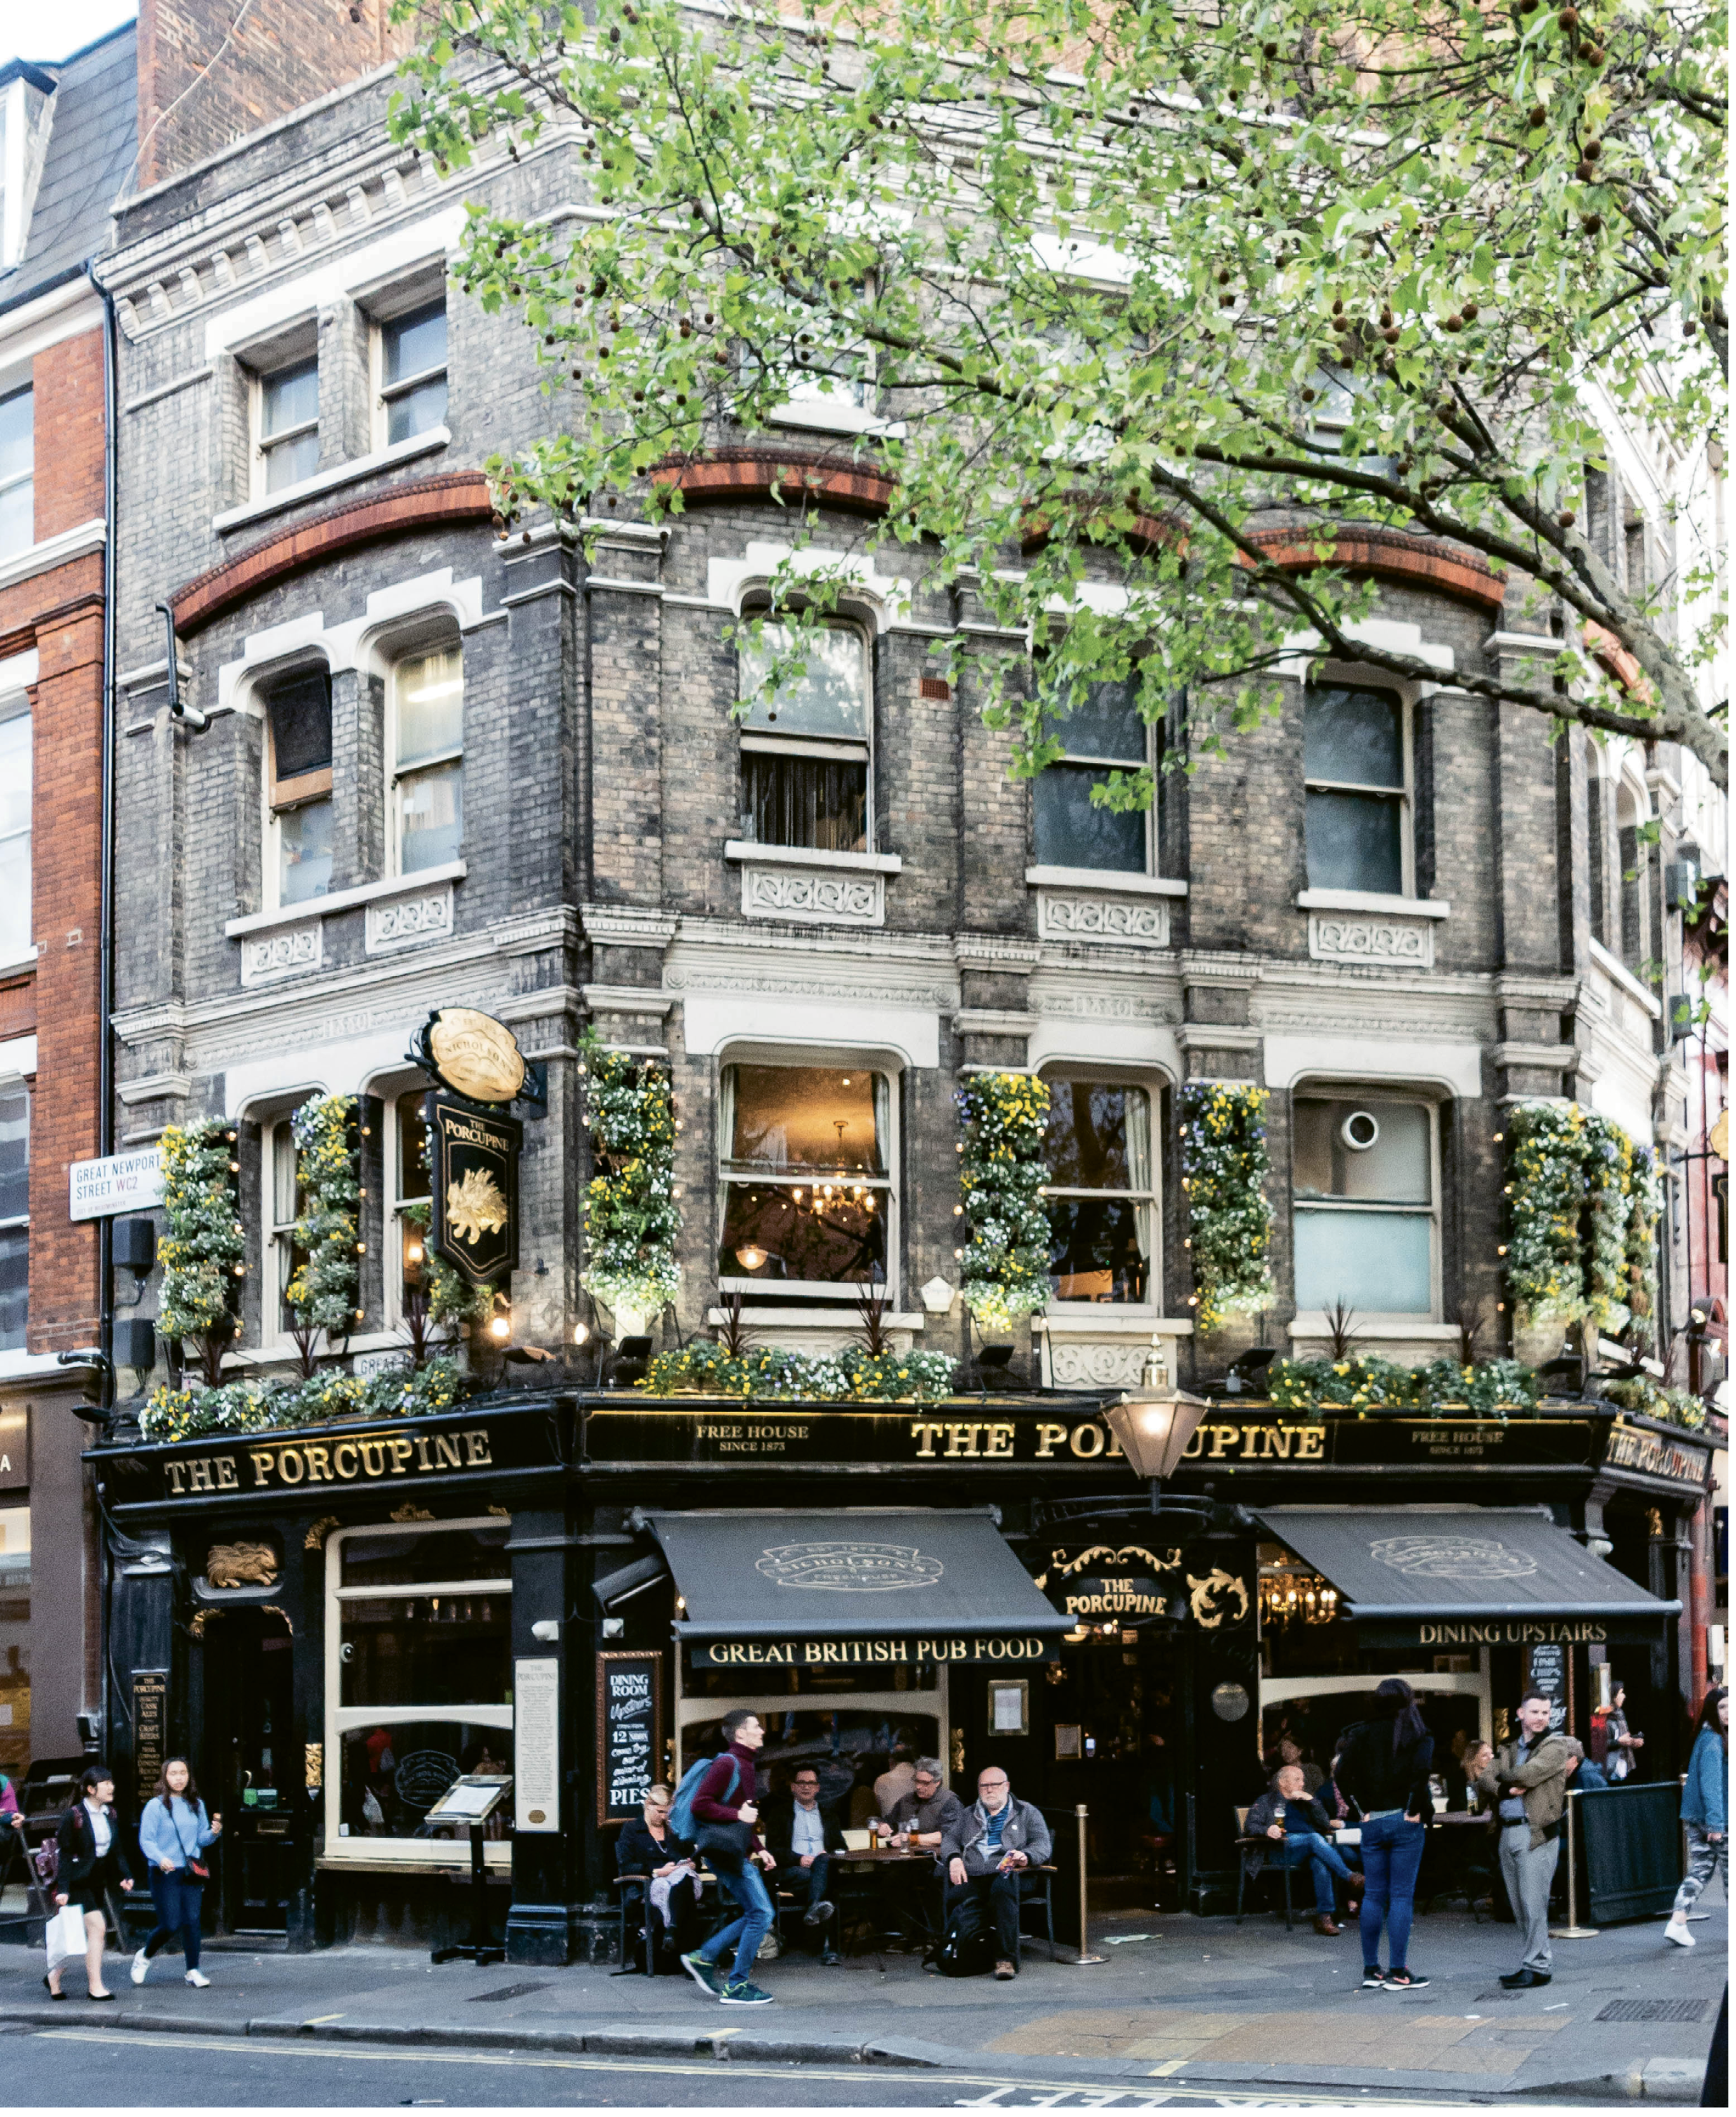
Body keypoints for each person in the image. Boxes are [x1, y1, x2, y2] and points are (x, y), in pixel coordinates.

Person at [1473, 1691, 1583, 1990]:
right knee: (1519, 1905)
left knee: (1534, 1903)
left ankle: (1539, 1966)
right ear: (1521, 1714)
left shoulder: (1556, 1746)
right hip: (1507, 1830)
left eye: (1546, 1713)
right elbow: (1483, 1778)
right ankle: (1532, 1963)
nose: (1541, 1718)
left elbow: (1528, 1775)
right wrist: (1506, 1789)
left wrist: (1503, 1778)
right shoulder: (1509, 1746)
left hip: (1535, 1832)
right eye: (1535, 1712)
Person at [1333, 1677, 1435, 1991]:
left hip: (1372, 1821)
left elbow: (1340, 1773)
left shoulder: (1360, 1733)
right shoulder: (1419, 1735)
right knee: (1401, 1895)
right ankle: (1399, 1972)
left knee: (1374, 1894)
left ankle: (1371, 1970)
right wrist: (1415, 1809)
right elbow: (1420, 1776)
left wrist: (1357, 1807)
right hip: (1404, 1820)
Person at [680, 1708, 777, 2008]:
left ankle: (705, 1957)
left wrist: (760, 1848)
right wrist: (737, 1814)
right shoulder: (727, 1763)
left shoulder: (745, 1764)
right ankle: (737, 1985)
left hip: (732, 1851)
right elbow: (700, 1805)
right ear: (740, 1734)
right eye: (756, 1726)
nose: (762, 1731)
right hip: (725, 1854)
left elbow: (741, 1820)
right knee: (762, 1914)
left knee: (755, 1913)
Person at [939, 1764, 1052, 1981]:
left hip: (1011, 1873)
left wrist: (1026, 1856)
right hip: (975, 1873)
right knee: (955, 1895)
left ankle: (1005, 1959)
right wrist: (954, 1858)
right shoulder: (968, 1814)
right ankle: (961, 1952)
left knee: (1001, 1890)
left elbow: (1043, 1845)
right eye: (984, 1786)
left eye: (995, 1785)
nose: (989, 1790)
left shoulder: (1026, 1812)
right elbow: (950, 1840)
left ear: (1007, 1787)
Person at [46, 1764, 138, 2002]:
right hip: (77, 1882)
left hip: (97, 1880)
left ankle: (54, 1976)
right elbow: (64, 1854)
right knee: (98, 1927)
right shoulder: (74, 1815)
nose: (111, 1787)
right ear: (90, 1789)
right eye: (105, 1783)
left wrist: (125, 1876)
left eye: (111, 1782)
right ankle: (95, 1987)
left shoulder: (111, 1814)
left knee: (80, 1935)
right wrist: (63, 1889)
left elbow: (117, 1851)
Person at [1243, 1764, 1364, 1936]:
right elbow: (1250, 1825)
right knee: (1314, 1838)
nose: (1302, 1784)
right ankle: (1349, 1876)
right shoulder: (1266, 1801)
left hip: (1308, 1850)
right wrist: (1267, 1830)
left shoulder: (1304, 1801)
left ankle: (1325, 1917)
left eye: (1303, 1780)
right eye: (1297, 1780)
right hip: (1282, 1850)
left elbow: (1324, 1824)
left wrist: (1311, 1800)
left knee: (1320, 1862)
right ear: (1283, 1782)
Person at [131, 1757, 221, 1988]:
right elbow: (146, 1840)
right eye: (173, 1773)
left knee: (192, 1921)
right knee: (170, 1924)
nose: (179, 1778)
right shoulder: (155, 1806)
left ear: (189, 1777)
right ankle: (144, 1956)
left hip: (190, 1871)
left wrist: (213, 1833)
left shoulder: (197, 1804)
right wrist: (161, 1858)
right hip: (165, 1872)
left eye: (183, 1773)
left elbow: (201, 1839)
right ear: (165, 1777)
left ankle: (193, 1970)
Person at [762, 1762, 847, 1964]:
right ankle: (829, 1948)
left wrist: (827, 1855)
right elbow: (773, 1850)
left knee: (823, 1865)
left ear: (818, 1787)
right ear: (793, 1787)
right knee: (826, 1884)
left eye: (811, 1783)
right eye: (801, 1782)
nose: (806, 1787)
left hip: (820, 1868)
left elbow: (841, 1848)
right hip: (792, 1871)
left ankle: (815, 1907)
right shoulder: (780, 1814)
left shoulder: (829, 1815)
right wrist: (798, 1858)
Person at [875, 1756, 962, 1950]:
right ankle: (908, 1936)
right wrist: (883, 1826)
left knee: (933, 1883)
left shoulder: (949, 1801)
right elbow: (889, 1820)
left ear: (938, 1782)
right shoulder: (907, 1800)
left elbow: (948, 1835)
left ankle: (933, 1936)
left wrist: (910, 1839)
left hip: (936, 1862)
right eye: (917, 1782)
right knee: (891, 1882)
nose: (920, 1787)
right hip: (909, 1862)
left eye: (925, 1783)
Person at [1664, 1686, 1727, 1949]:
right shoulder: (1713, 1741)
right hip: (1717, 1818)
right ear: (1713, 1710)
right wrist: (1716, 1824)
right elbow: (1711, 1784)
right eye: (1723, 1707)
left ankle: (1677, 1923)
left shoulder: (1706, 1736)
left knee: (1700, 1870)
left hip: (1698, 1816)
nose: (1728, 1712)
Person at [617, 1783, 700, 1970]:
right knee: (682, 1892)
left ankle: (672, 1930)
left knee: (685, 1878)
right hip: (648, 1884)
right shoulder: (632, 1829)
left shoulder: (672, 1829)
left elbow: (691, 1856)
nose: (663, 1817)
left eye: (666, 1813)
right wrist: (656, 1872)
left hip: (677, 1883)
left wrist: (692, 1863)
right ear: (648, 1805)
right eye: (660, 1812)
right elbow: (625, 1865)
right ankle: (690, 1960)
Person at [874, 1740, 918, 1819]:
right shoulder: (923, 1779)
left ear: (891, 1760)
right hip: (916, 1828)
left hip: (890, 1828)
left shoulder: (882, 1780)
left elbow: (877, 1809)